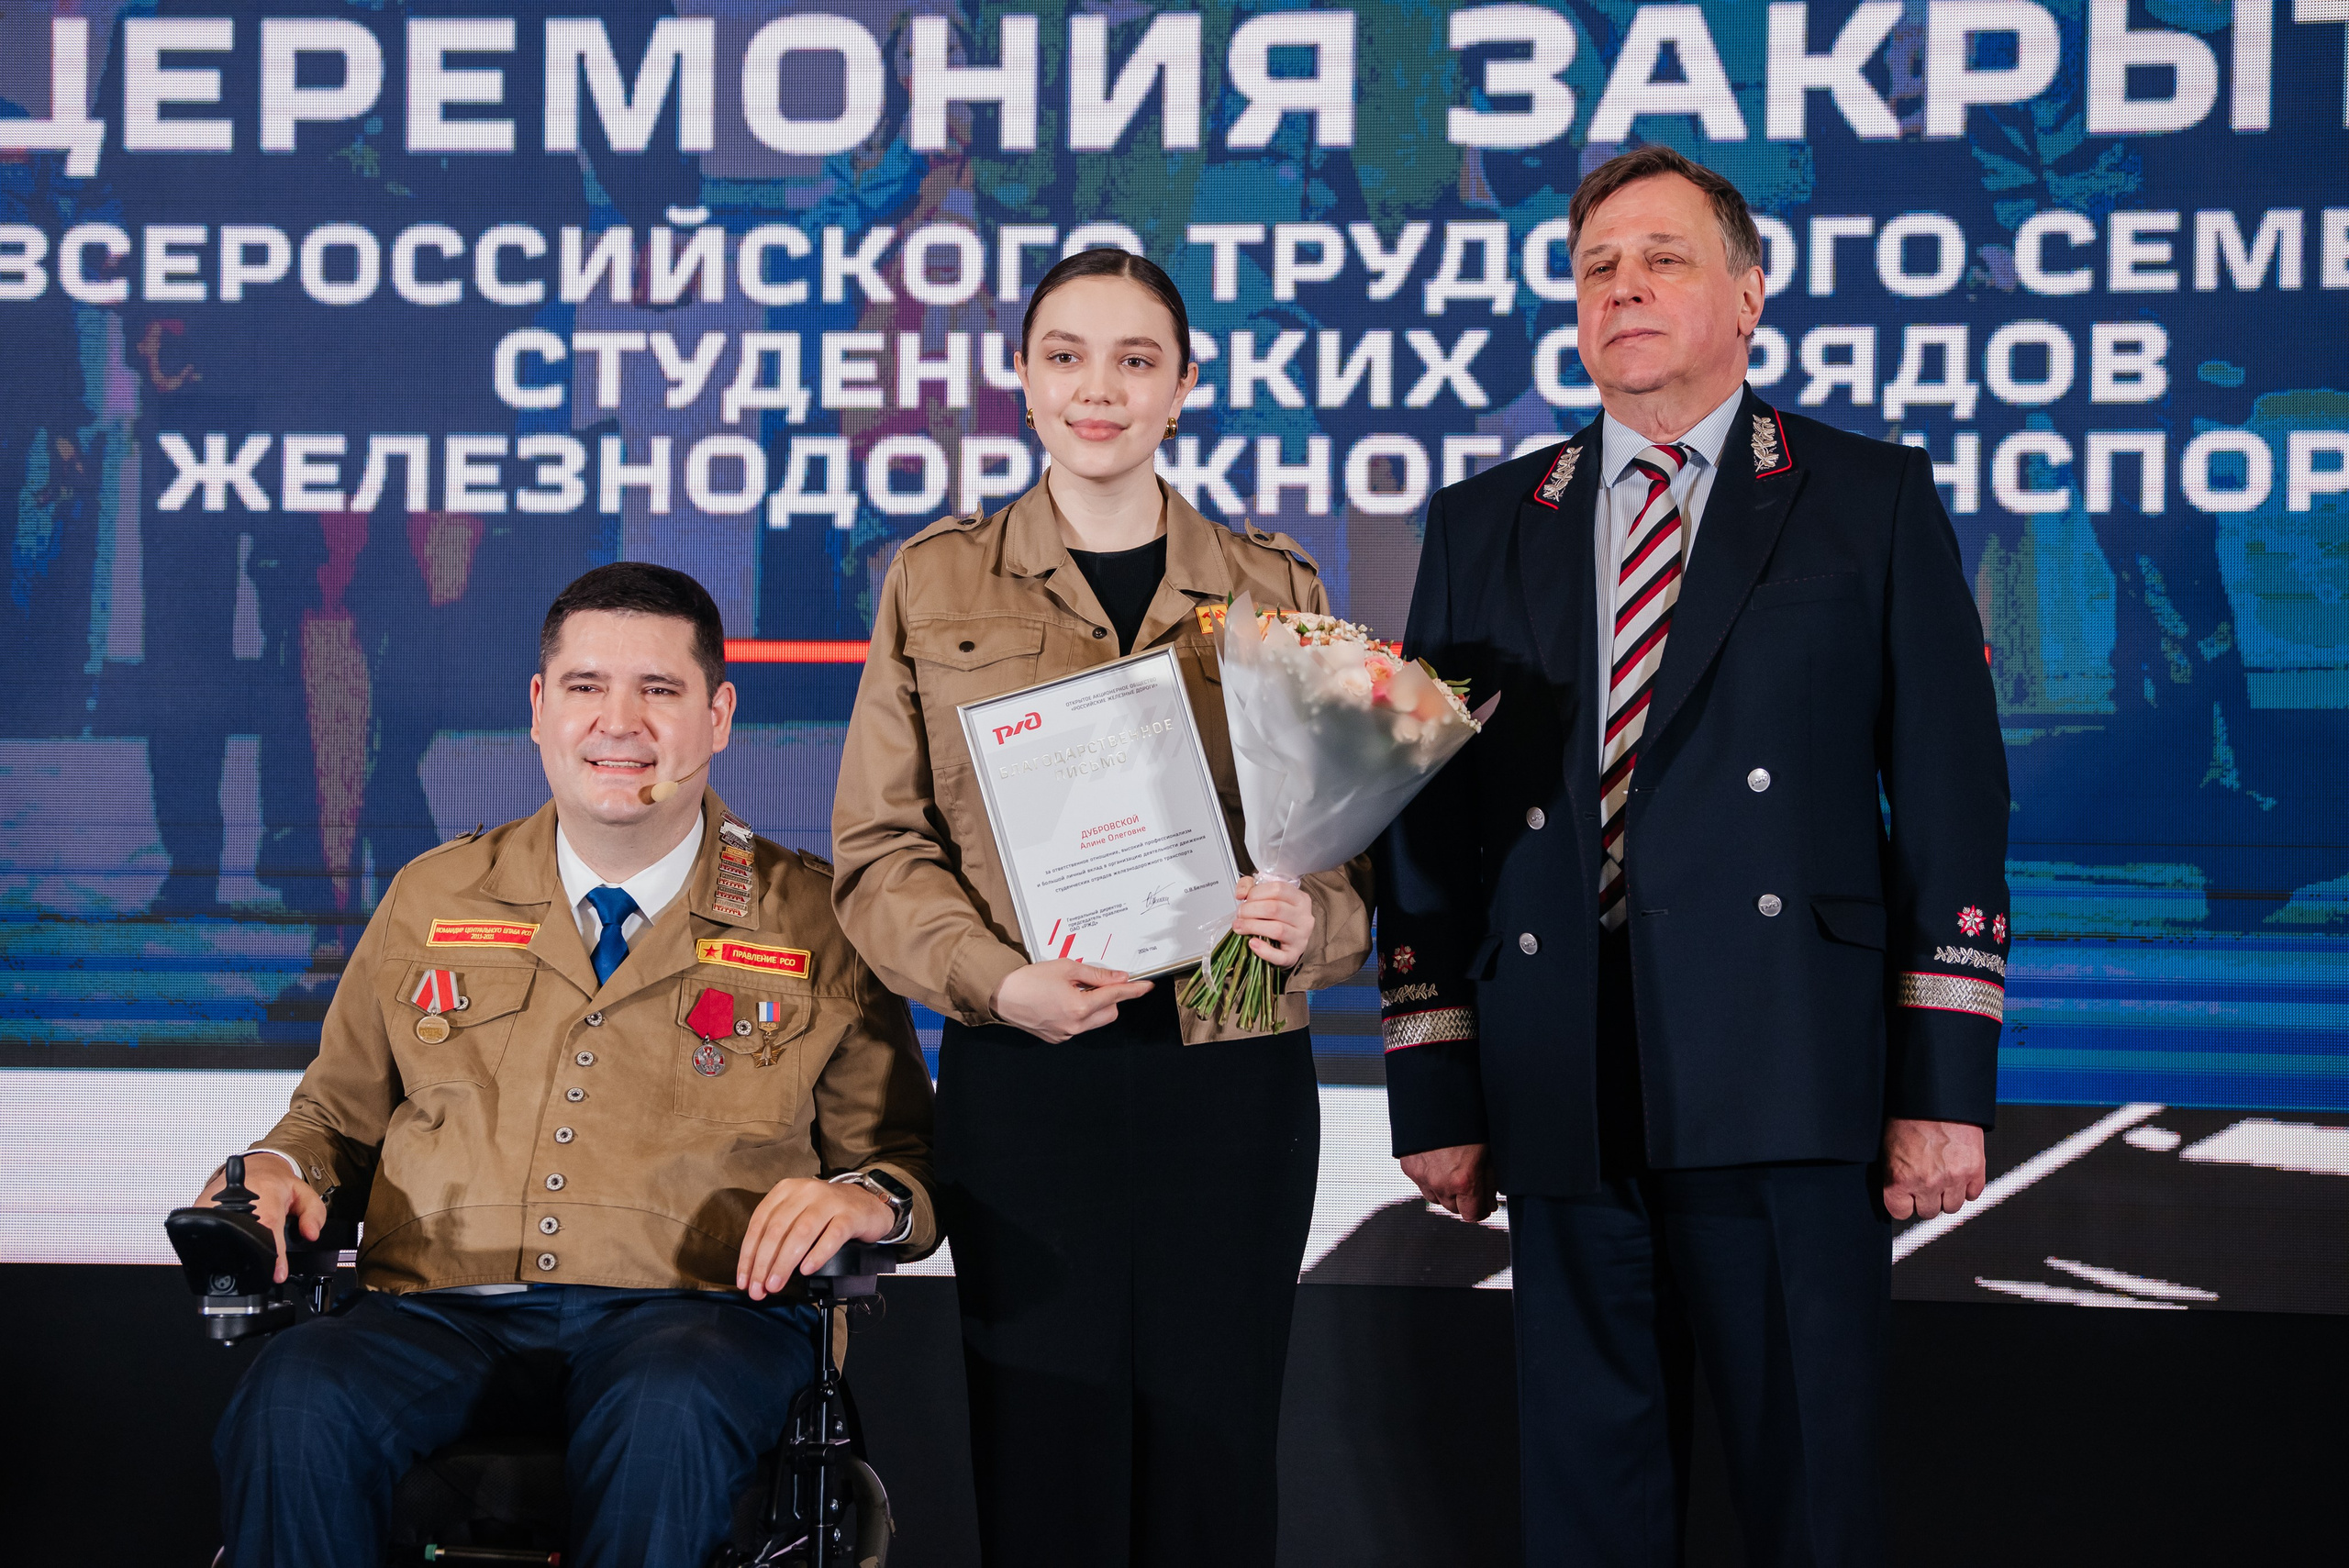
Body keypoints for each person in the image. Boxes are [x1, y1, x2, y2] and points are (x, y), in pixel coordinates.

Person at [1375, 144, 2009, 1566]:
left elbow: (1954, 803)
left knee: (1809, 1505)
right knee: (1587, 1515)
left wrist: (1945, 1090)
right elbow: (1429, 819)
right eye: (1598, 266)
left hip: (1793, 1081)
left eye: (1663, 257)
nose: (1626, 288)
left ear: (1748, 294)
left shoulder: (1868, 496)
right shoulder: (1488, 519)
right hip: (1562, 1090)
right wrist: (1437, 1078)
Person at [194, 562, 938, 1568]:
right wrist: (283, 1167)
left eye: (660, 691)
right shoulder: (432, 892)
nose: (618, 722)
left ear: (718, 714)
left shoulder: (816, 915)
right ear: (541, 708)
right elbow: (331, 1118)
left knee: (667, 1404)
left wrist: (866, 1201)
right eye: (586, 687)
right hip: (437, 1309)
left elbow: (900, 1159)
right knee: (295, 1391)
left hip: (696, 1316)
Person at [829, 248, 1372, 1567]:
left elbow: (1347, 864)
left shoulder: (1275, 587)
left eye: (1137, 361)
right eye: (1066, 355)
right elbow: (878, 851)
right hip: (1029, 1069)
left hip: (1231, 1078)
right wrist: (994, 980)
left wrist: (1320, 931)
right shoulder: (933, 581)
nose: (1100, 389)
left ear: (1185, 388)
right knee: (1045, 1470)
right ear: (1021, 378)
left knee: (1212, 1465)